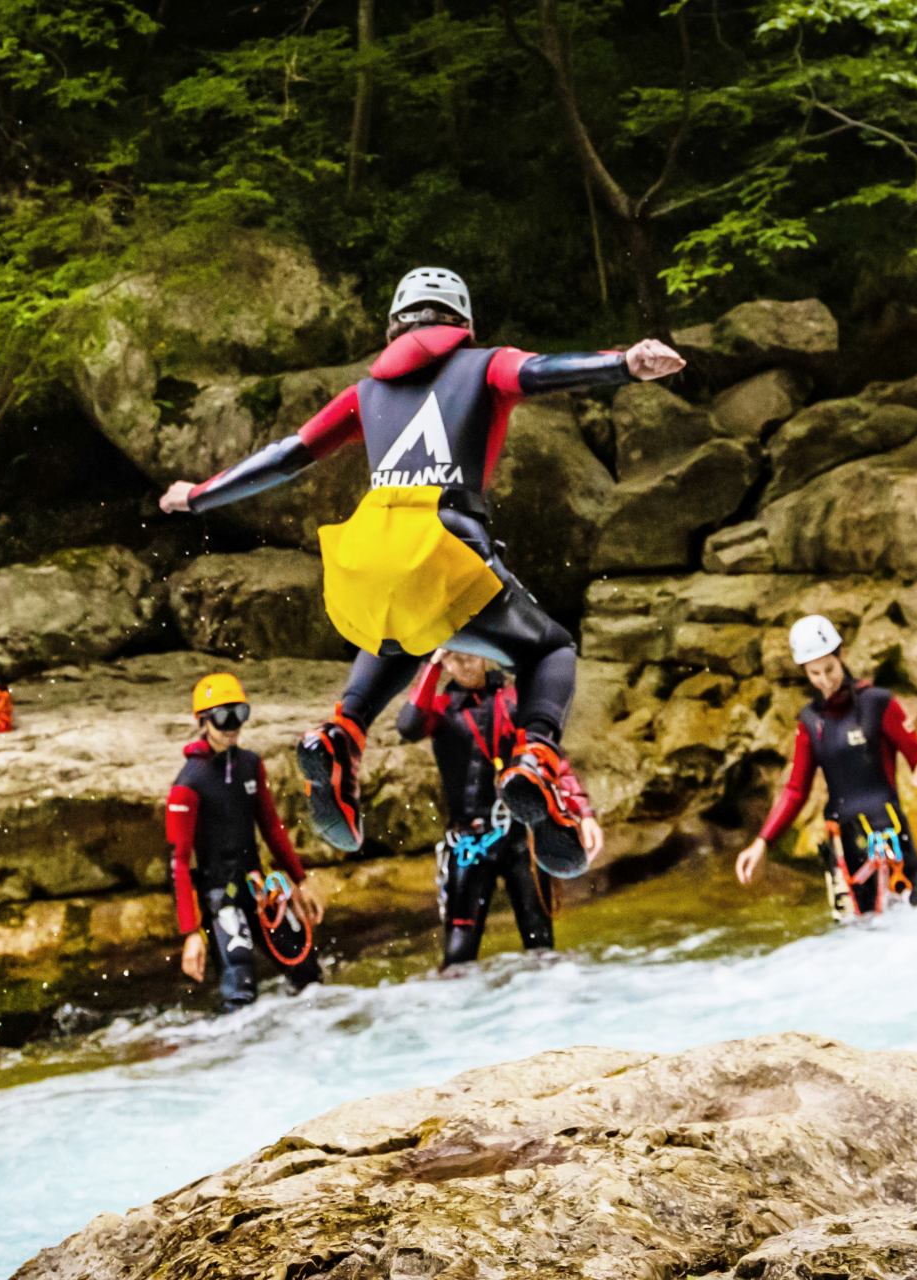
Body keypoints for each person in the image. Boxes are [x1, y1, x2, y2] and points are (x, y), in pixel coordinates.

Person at [160, 267, 684, 876]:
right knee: (551, 649)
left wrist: (198, 495)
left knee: (404, 631)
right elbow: (541, 371)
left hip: (369, 553)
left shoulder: (363, 393)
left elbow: (285, 457)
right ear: (462, 324)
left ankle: (342, 733)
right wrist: (624, 364)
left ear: (393, 327)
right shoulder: (486, 365)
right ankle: (537, 756)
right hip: (444, 543)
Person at [398, 649, 604, 966]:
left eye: (468, 653)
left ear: (484, 655)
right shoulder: (440, 709)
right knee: (458, 955)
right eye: (452, 657)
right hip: (468, 842)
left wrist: (584, 813)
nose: (462, 662)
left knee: (540, 942)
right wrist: (432, 667)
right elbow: (409, 726)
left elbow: (553, 761)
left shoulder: (513, 700)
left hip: (521, 836)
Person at [734, 616, 917, 917]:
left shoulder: (877, 703)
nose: (824, 680)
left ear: (840, 655)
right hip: (843, 847)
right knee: (853, 941)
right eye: (814, 673)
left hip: (890, 837)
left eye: (829, 669)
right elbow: (795, 790)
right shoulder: (810, 721)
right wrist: (762, 842)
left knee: (909, 929)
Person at [169, 673, 326, 1010]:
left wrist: (300, 879)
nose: (232, 726)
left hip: (258, 886)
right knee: (240, 992)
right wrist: (191, 932)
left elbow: (271, 826)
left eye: (240, 714)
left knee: (307, 972)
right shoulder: (188, 784)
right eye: (224, 717)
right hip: (220, 894)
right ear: (202, 721)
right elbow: (179, 860)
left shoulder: (250, 765)